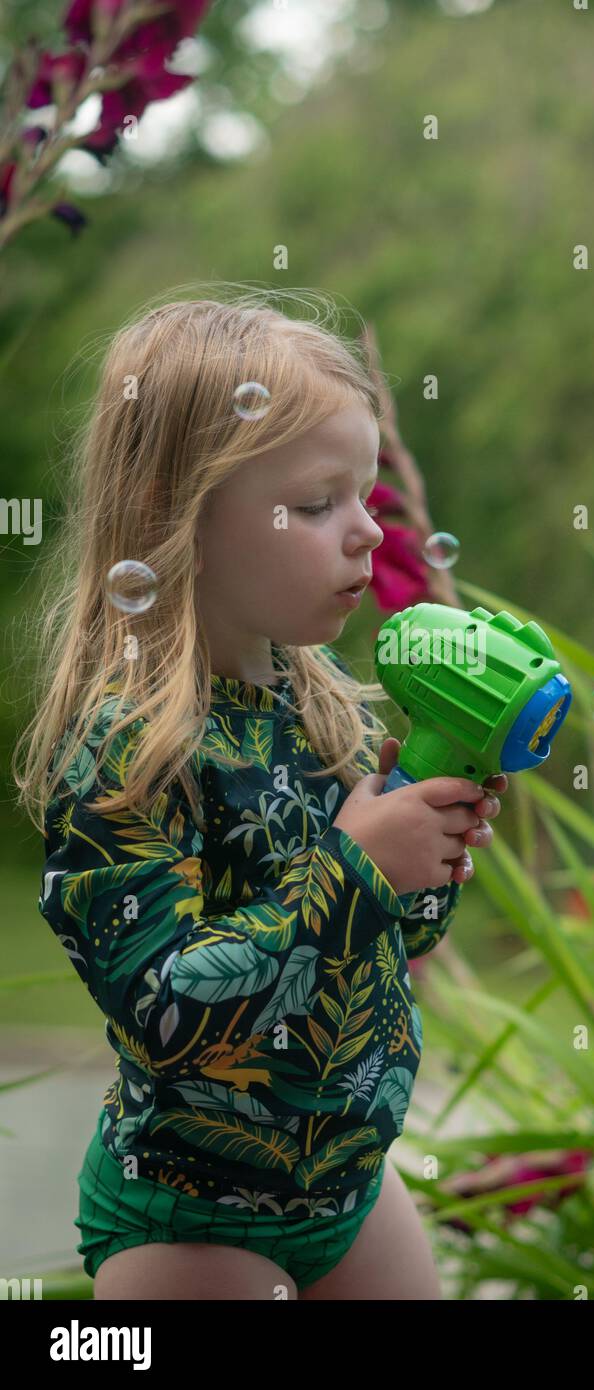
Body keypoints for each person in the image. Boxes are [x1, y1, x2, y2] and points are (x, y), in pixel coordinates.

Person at [13, 287, 507, 1300]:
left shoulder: (329, 716)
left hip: (349, 1191)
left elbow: (395, 940)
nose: (368, 532)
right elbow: (165, 1008)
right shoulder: (126, 747)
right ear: (182, 518)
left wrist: (429, 834)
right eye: (319, 503)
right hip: (193, 1220)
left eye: (366, 496)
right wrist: (358, 865)